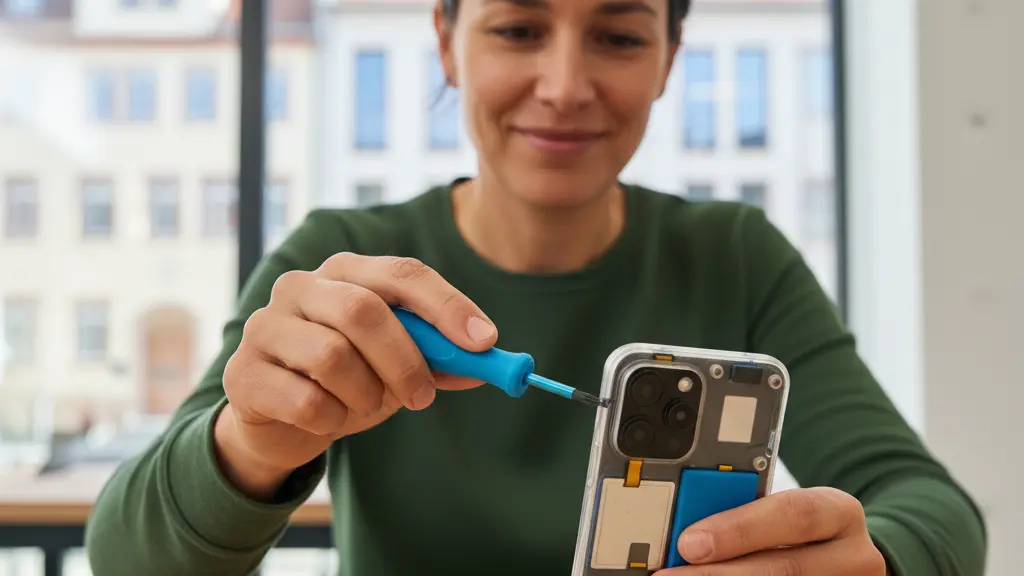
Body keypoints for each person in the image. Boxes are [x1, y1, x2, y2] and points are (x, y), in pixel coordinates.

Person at [84, 0, 985, 574]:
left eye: (620, 36)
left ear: (670, 57)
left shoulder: (736, 255)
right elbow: (125, 559)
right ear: (447, 42)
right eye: (519, 28)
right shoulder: (343, 257)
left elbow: (935, 512)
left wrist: (878, 561)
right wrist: (249, 443)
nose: (564, 86)